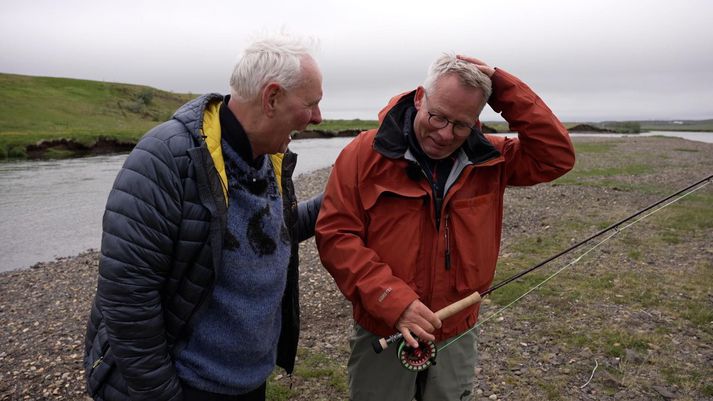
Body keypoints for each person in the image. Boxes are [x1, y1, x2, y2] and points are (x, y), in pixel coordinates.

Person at [315, 54, 575, 400]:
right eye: (437, 117)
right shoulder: (364, 154)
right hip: (383, 323)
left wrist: (503, 87)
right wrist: (394, 301)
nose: (444, 134)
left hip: (456, 328)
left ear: (476, 121)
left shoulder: (492, 159)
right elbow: (336, 235)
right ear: (420, 97)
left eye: (461, 124)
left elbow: (556, 156)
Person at [84, 35, 324, 401]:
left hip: (247, 382)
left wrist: (340, 196)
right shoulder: (166, 158)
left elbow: (274, 233)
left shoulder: (269, 157)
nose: (318, 118)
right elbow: (128, 300)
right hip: (184, 387)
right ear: (271, 98)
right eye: (311, 104)